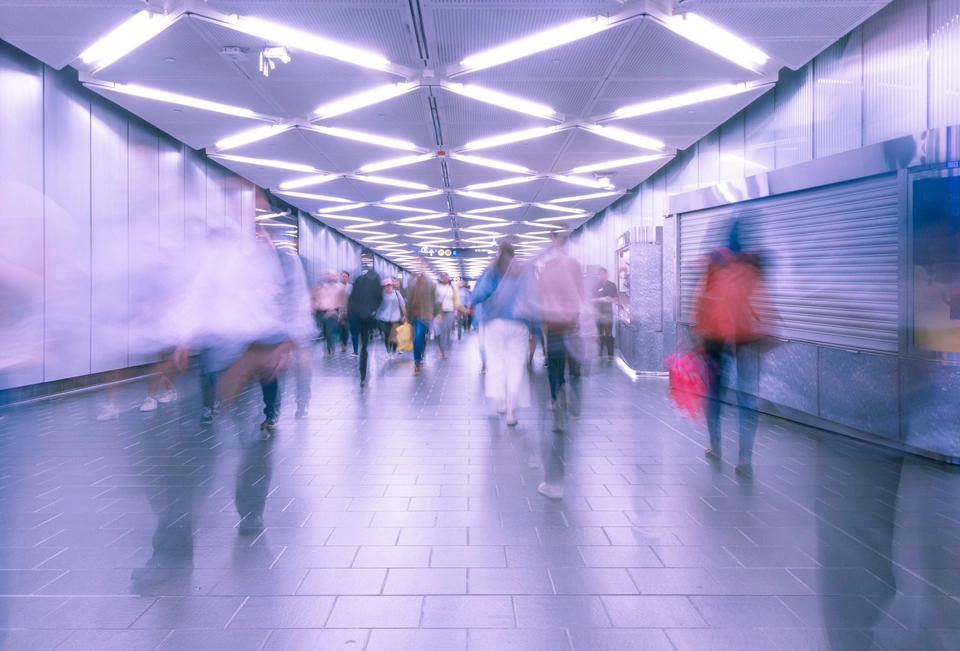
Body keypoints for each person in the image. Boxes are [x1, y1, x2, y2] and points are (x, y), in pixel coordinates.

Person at [693, 221, 762, 477]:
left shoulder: (715, 262)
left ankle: (715, 445)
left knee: (714, 394)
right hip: (746, 337)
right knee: (747, 398)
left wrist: (698, 333)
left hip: (715, 338)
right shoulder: (753, 263)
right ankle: (745, 458)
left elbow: (702, 298)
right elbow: (760, 298)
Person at [472, 241, 539, 427]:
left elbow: (477, 296)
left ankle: (501, 400)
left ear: (499, 251)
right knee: (517, 365)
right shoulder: (525, 271)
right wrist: (535, 329)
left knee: (496, 362)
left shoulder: (492, 269)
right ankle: (511, 412)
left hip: (495, 323)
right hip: (519, 324)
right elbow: (534, 300)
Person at [539, 232, 584, 433]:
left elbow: (542, 293)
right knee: (564, 363)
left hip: (554, 322)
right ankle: (562, 393)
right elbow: (580, 293)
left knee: (554, 364)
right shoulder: (574, 265)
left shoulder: (549, 267)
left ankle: (557, 398)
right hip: (569, 322)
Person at [347, 265, 383, 387]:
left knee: (360, 340)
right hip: (366, 316)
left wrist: (350, 312)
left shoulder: (359, 280)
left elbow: (352, 298)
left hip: (358, 314)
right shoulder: (376, 281)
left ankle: (362, 373)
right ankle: (362, 371)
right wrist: (372, 311)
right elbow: (379, 299)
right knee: (364, 343)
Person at [406, 260, 436, 375]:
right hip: (413, 315)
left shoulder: (429, 283)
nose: (419, 267)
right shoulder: (412, 282)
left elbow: (434, 299)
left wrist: (433, 312)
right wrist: (406, 315)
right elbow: (409, 299)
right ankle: (419, 358)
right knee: (417, 339)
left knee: (418, 338)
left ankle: (417, 361)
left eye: (421, 265)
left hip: (424, 316)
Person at [311, 271, 343, 356]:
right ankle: (330, 347)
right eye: (330, 275)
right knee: (325, 331)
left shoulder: (338, 288)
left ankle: (330, 349)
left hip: (332, 312)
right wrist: (315, 307)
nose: (331, 277)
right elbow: (313, 298)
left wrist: (338, 310)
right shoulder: (319, 287)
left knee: (329, 330)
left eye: (333, 275)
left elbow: (341, 300)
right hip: (321, 312)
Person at [592, 267, 619, 360]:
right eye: (599, 274)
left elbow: (616, 298)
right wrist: (600, 299)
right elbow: (591, 299)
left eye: (602, 273)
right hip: (598, 314)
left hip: (608, 314)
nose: (600, 276)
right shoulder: (595, 286)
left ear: (606, 274)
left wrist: (609, 300)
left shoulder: (612, 285)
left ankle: (610, 355)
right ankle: (599, 354)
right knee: (599, 334)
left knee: (609, 334)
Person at [376, 277, 406, 356]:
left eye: (390, 285)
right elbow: (377, 306)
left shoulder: (396, 293)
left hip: (395, 318)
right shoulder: (381, 295)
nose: (389, 287)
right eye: (387, 286)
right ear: (384, 287)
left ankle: (394, 351)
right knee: (387, 334)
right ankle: (388, 349)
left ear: (392, 286)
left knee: (394, 335)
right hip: (384, 318)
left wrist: (405, 316)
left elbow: (402, 305)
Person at [435, 273, 460, 359]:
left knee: (448, 330)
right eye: (443, 277)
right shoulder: (437, 287)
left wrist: (456, 309)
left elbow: (455, 299)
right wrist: (438, 312)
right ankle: (442, 350)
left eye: (447, 277)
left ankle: (447, 346)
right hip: (441, 311)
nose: (445, 278)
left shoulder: (452, 287)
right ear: (440, 278)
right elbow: (435, 300)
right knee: (443, 331)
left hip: (450, 311)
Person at [339, 271, 358, 355]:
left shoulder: (351, 287)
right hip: (338, 310)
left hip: (348, 310)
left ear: (348, 278)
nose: (344, 278)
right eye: (342, 276)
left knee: (345, 327)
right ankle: (341, 341)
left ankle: (344, 344)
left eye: (346, 276)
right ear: (340, 277)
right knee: (340, 328)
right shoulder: (337, 287)